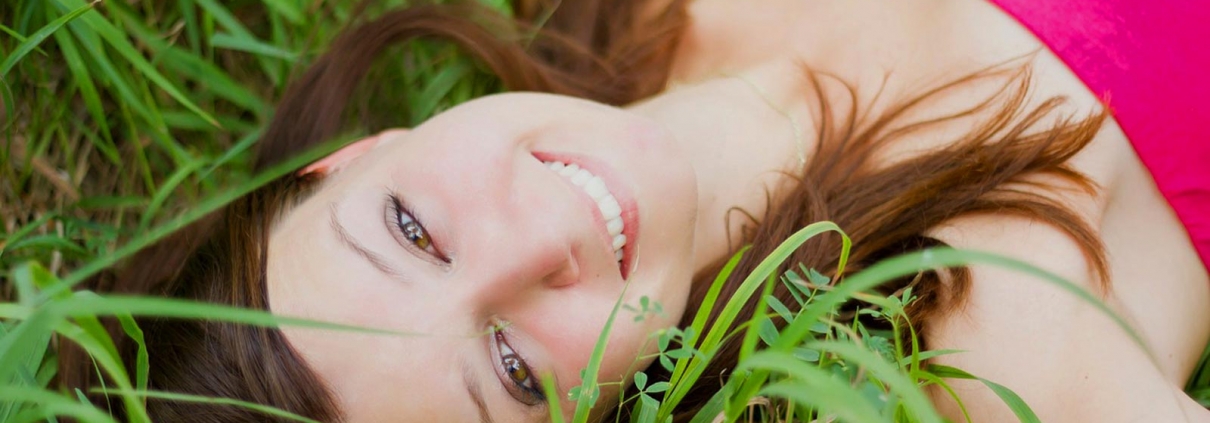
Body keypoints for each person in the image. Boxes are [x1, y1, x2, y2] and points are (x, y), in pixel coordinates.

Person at [59, 0, 1210, 421]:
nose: (536, 240)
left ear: (360, 153)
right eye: (511, 369)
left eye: (412, 231)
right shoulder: (994, 334)